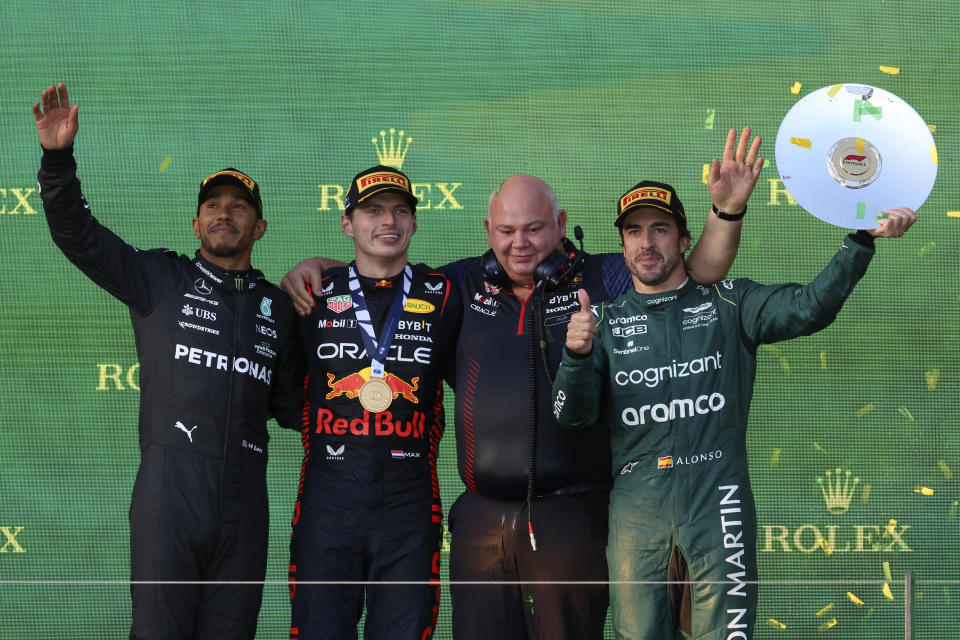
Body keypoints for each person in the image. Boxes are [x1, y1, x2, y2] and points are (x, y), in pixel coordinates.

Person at [281, 128, 763, 639]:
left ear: (559, 225)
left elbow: (697, 271)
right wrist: (318, 268)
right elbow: (383, 274)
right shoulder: (461, 284)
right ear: (488, 229)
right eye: (507, 230)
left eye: (534, 228)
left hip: (572, 513)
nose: (520, 243)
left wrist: (726, 211)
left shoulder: (603, 276)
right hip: (481, 521)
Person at [550, 178, 916, 639]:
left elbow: (809, 308)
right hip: (637, 511)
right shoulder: (601, 322)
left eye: (660, 229)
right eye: (634, 231)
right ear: (622, 245)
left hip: (718, 501)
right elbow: (571, 415)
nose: (647, 242)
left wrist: (860, 241)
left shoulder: (731, 303)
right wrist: (576, 356)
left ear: (685, 240)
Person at [33, 83, 303, 640]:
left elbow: (295, 406)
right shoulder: (160, 278)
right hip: (170, 496)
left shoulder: (280, 308)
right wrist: (58, 159)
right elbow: (78, 236)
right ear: (196, 224)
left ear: (260, 227)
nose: (224, 213)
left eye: (239, 206)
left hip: (245, 503)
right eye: (212, 206)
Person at [281, 165, 461, 640]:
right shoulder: (311, 295)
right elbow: (280, 393)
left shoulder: (444, 296)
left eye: (401, 211)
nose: (389, 222)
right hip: (327, 501)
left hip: (409, 505)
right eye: (373, 211)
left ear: (415, 223)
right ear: (347, 224)